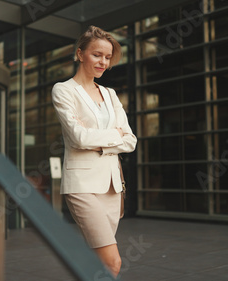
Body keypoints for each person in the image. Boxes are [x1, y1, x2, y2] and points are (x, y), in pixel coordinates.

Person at [51, 25, 137, 277]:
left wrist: (100, 139)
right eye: (97, 54)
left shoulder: (110, 94)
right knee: (113, 262)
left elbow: (130, 140)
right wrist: (114, 136)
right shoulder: (64, 90)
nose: (103, 62)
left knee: (98, 262)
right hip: (82, 185)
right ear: (80, 53)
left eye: (108, 57)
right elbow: (78, 138)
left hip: (112, 186)